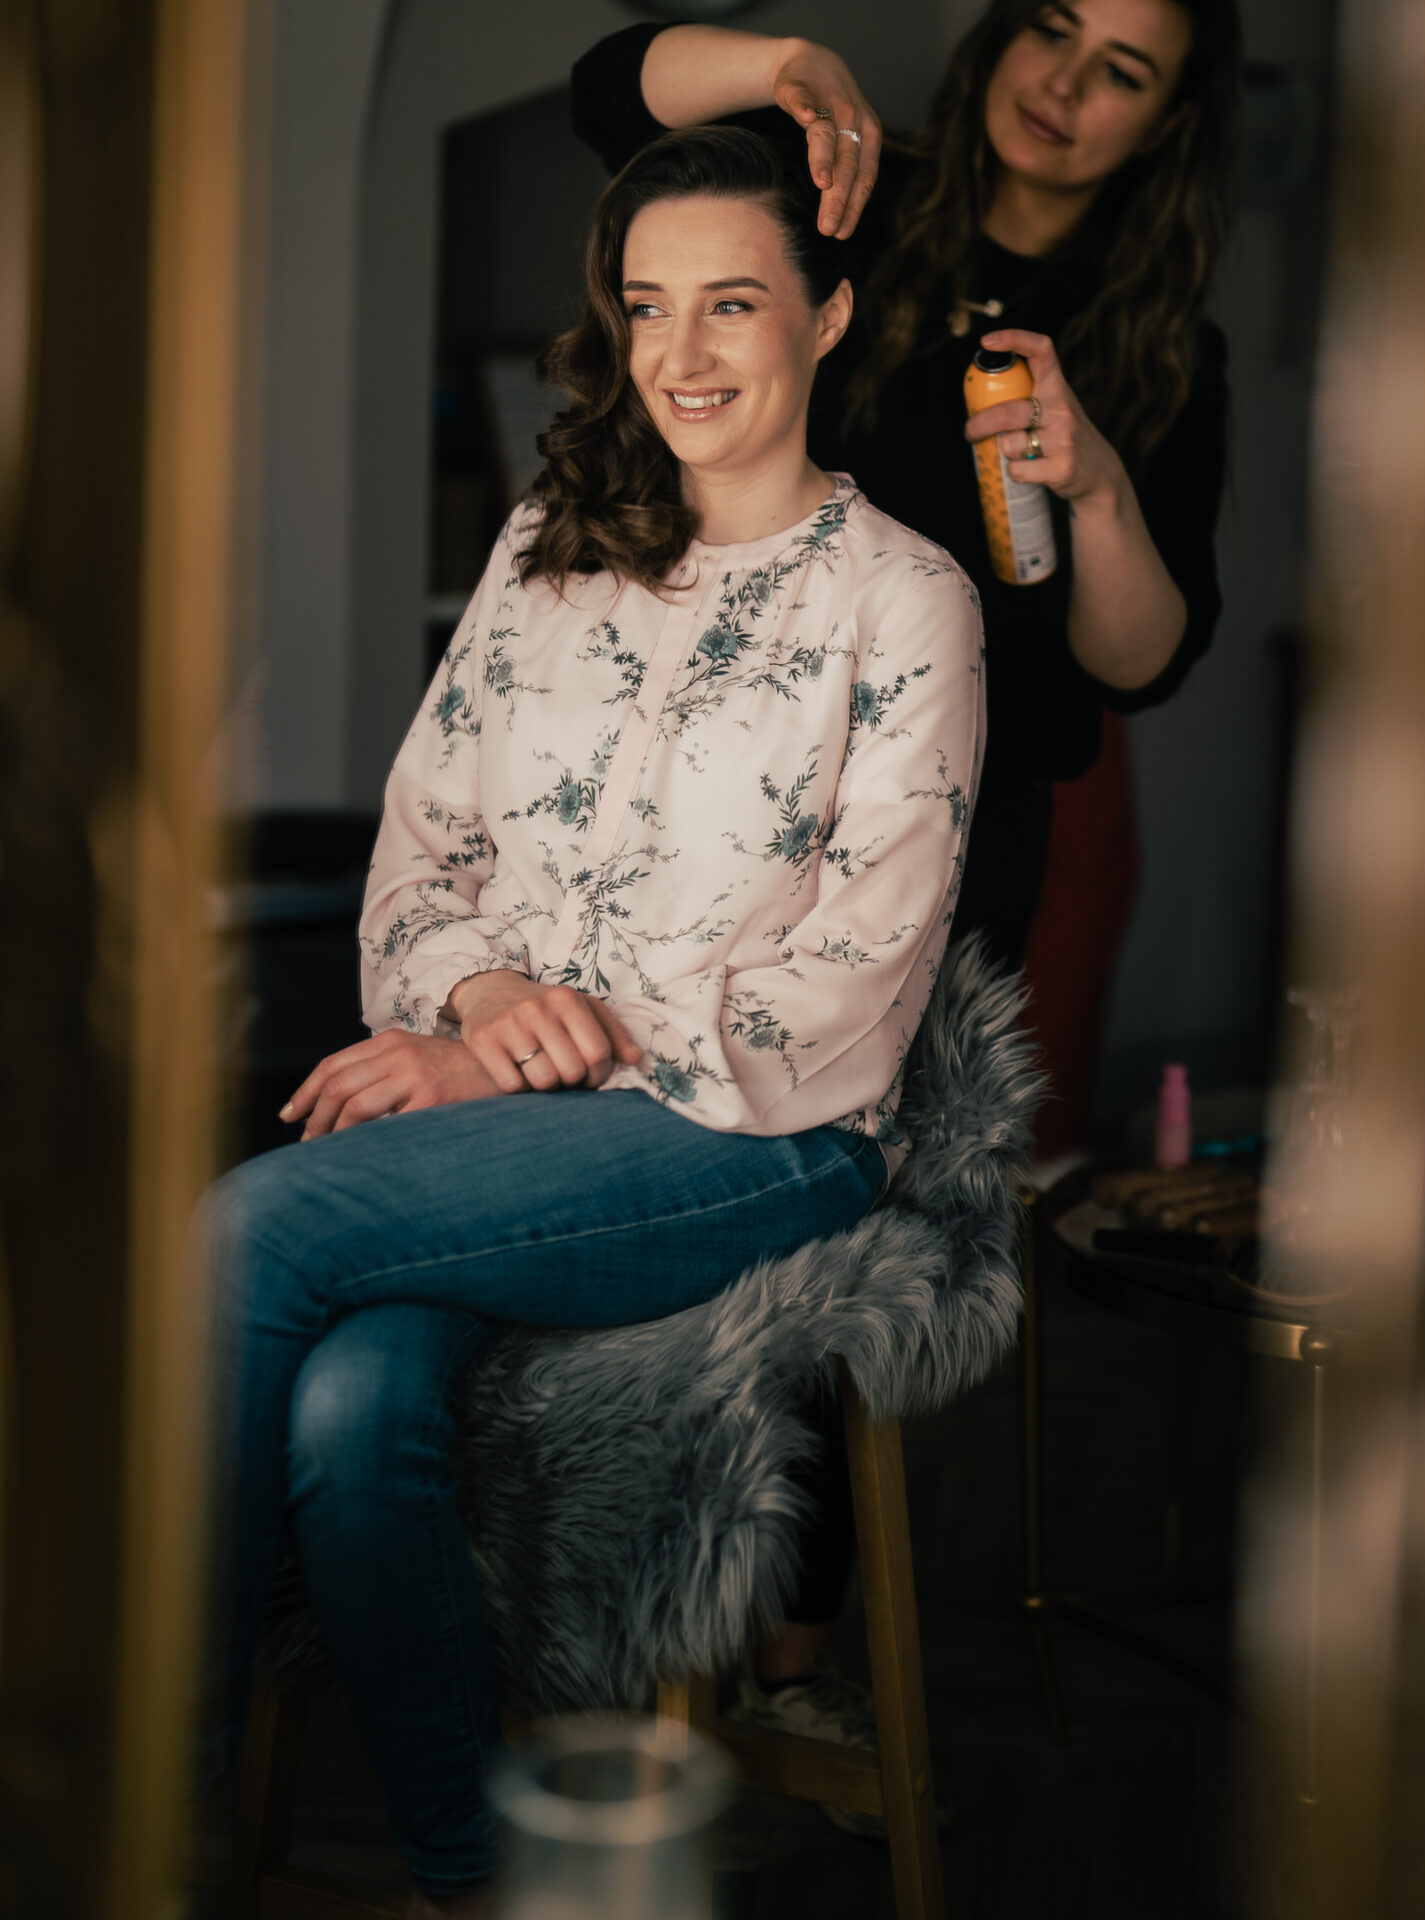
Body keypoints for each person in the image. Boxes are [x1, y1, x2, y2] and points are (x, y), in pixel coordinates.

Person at [202, 125, 985, 1917]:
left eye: (733, 302)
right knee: (342, 1413)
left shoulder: (910, 604)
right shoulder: (546, 549)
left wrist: (529, 1042)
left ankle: (141, 1824)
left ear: (832, 311)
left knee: (248, 1232)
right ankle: (477, 1878)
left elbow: (853, 987)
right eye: (649, 309)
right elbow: (423, 848)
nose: (685, 354)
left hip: (759, 1137)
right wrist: (475, 992)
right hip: (507, 1125)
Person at [569, 0, 1239, 1775]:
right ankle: (628, 1609)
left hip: (958, 846)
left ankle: (785, 1643)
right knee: (675, 1203)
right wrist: (787, 73)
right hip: (722, 806)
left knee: (847, 1245)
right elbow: (602, 88)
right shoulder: (854, 190)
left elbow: (1146, 657)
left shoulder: (1159, 335)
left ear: (1165, 123)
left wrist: (1096, 481)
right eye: (1054, 29)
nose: (1066, 87)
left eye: (1126, 73)